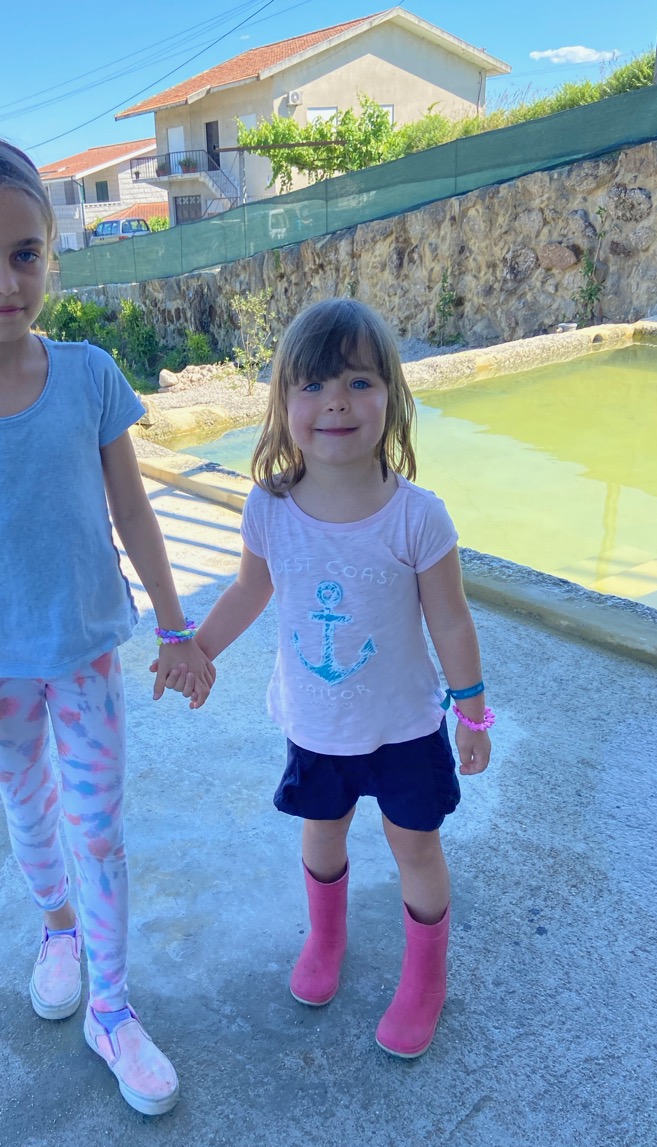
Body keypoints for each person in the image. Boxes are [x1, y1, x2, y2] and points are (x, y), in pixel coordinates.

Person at [0, 134, 214, 1116]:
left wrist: (177, 627)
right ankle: (56, 928)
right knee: (29, 813)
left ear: (50, 252)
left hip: (88, 650)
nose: (4, 281)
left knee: (98, 827)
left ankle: (113, 1006)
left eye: (25, 252)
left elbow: (134, 511)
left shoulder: (90, 375)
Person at [188, 298, 492, 1059]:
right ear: (283, 402)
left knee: (415, 847)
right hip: (316, 723)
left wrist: (472, 711)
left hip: (406, 727)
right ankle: (326, 940)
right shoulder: (270, 508)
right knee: (322, 834)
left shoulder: (418, 517)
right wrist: (200, 648)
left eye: (359, 382)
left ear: (391, 395)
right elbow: (249, 590)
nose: (336, 403)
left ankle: (425, 977)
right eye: (314, 385)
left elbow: (451, 622)